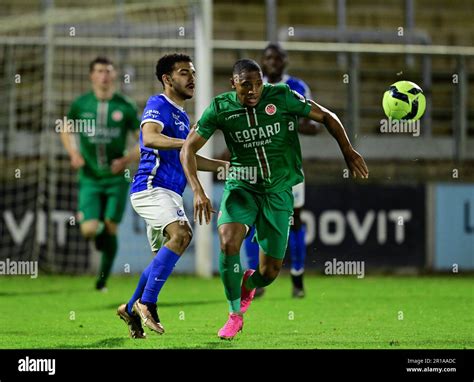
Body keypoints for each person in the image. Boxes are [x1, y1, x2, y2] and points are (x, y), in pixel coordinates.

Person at [180, 58, 369, 340]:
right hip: (241, 186)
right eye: (246, 85)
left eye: (258, 84)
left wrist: (348, 150)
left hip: (279, 191)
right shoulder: (220, 108)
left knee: (269, 272)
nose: (254, 90)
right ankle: (234, 315)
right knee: (228, 241)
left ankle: (251, 283)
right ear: (233, 84)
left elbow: (327, 116)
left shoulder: (281, 96)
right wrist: (197, 190)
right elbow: (187, 150)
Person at [116, 53, 228, 339]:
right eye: (183, 73)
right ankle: (147, 303)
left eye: (192, 72)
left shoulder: (182, 115)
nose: (191, 77)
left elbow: (186, 156)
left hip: (170, 195)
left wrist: (221, 166)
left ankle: (130, 308)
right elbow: (150, 138)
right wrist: (187, 143)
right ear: (167, 79)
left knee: (160, 261)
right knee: (182, 235)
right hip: (151, 188)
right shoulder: (158, 104)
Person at [243, 42, 319, 298]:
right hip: (254, 165)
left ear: (285, 61)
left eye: (279, 57)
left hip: (287, 168)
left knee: (293, 221)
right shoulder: (252, 85)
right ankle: (257, 279)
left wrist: (286, 122)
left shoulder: (296, 87)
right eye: (269, 57)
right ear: (262, 62)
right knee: (252, 220)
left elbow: (314, 125)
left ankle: (297, 279)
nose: (274, 61)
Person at [60, 56, 140, 292]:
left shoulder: (125, 106)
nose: (104, 75)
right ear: (91, 75)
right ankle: (102, 238)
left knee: (110, 227)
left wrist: (126, 159)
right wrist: (73, 152)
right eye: (99, 71)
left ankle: (102, 280)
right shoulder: (81, 104)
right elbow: (65, 127)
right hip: (90, 176)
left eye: (108, 71)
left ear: (114, 75)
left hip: (117, 177)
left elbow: (144, 140)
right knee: (89, 230)